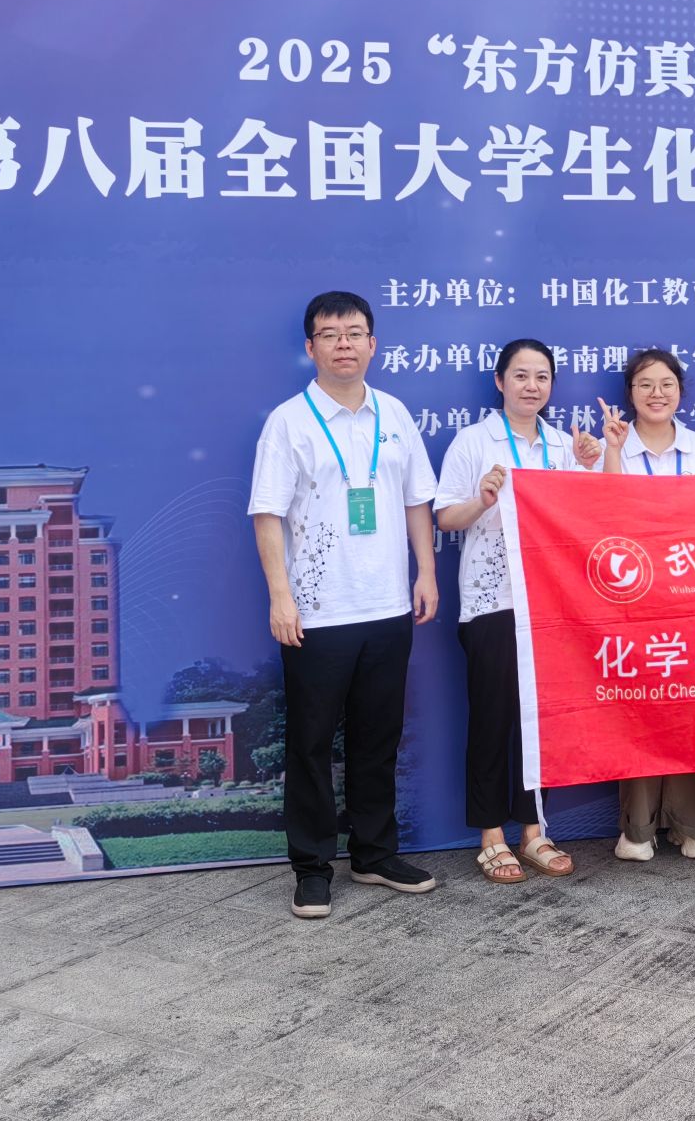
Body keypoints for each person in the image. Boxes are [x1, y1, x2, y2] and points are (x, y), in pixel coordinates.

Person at [247, 290, 442, 920]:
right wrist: (281, 596)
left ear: (372, 344)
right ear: (311, 348)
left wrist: (426, 572)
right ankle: (311, 868)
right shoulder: (289, 422)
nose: (344, 345)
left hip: (386, 605)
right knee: (309, 744)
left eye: (355, 333)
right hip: (318, 612)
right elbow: (267, 514)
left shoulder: (394, 413)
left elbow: (417, 500)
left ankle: (374, 854)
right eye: (330, 335)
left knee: (377, 738)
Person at [434, 339, 603, 884]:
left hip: (550, 603)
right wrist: (482, 499)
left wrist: (589, 466)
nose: (532, 386)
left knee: (541, 722)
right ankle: (491, 836)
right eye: (522, 375)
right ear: (500, 381)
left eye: (542, 377)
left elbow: (587, 517)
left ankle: (534, 830)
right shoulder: (473, 441)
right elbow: (445, 518)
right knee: (493, 717)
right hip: (493, 601)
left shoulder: (563, 445)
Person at [599, 349, 695, 862]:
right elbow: (603, 516)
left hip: (693, 595)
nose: (657, 393)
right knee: (639, 709)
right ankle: (639, 829)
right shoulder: (616, 445)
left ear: (680, 391)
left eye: (667, 383)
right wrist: (611, 451)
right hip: (632, 598)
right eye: (645, 384)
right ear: (630, 393)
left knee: (693, 707)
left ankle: (693, 825)